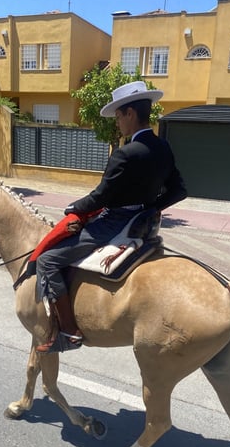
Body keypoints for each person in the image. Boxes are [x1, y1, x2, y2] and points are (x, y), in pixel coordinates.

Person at [35, 80, 187, 353]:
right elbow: (179, 190)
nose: (117, 122)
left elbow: (101, 197)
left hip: (112, 224)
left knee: (47, 261)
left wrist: (73, 208)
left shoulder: (125, 153)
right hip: (143, 224)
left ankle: (69, 333)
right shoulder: (163, 147)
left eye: (118, 116)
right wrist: (151, 207)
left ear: (130, 113)